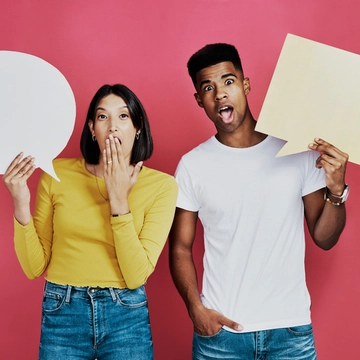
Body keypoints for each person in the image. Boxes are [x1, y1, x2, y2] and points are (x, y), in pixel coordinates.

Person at [169, 43, 349, 359]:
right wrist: (196, 309)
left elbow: (324, 238)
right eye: (208, 87)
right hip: (222, 337)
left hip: (290, 333)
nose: (220, 94)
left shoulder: (297, 151)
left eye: (228, 81)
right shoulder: (192, 166)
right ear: (200, 100)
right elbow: (180, 247)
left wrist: (336, 192)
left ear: (246, 84)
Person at [3, 84, 178, 360]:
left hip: (125, 314)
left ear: (138, 126)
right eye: (102, 117)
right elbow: (34, 267)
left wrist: (119, 198)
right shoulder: (56, 174)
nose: (113, 126)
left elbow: (136, 275)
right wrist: (20, 202)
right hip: (63, 309)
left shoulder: (162, 186)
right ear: (92, 129)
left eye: (123, 116)